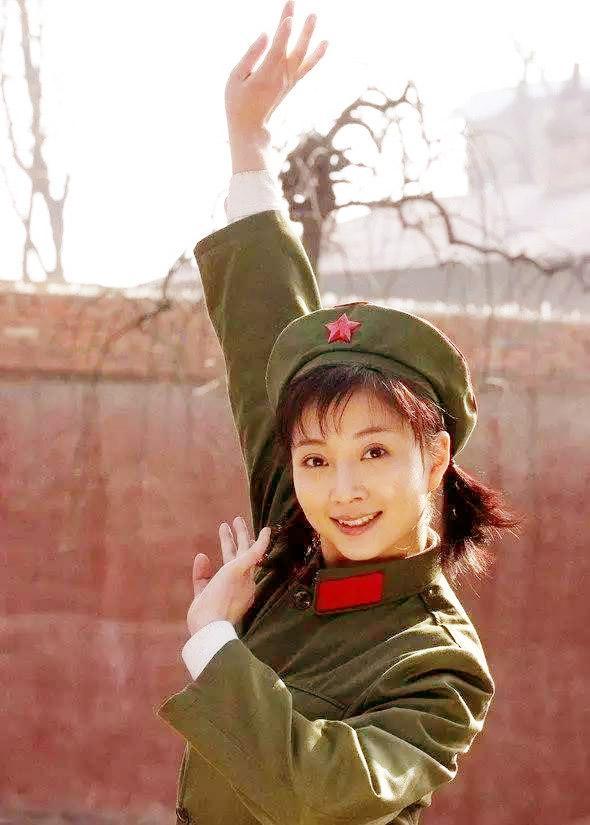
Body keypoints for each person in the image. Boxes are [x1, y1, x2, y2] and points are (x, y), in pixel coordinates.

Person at [155, 4, 522, 824]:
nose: (342, 489)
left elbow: (314, 792)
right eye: (315, 458)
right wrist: (249, 142)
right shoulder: (292, 536)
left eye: (375, 452)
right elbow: (264, 334)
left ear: (434, 456)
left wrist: (213, 638)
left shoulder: (438, 664)